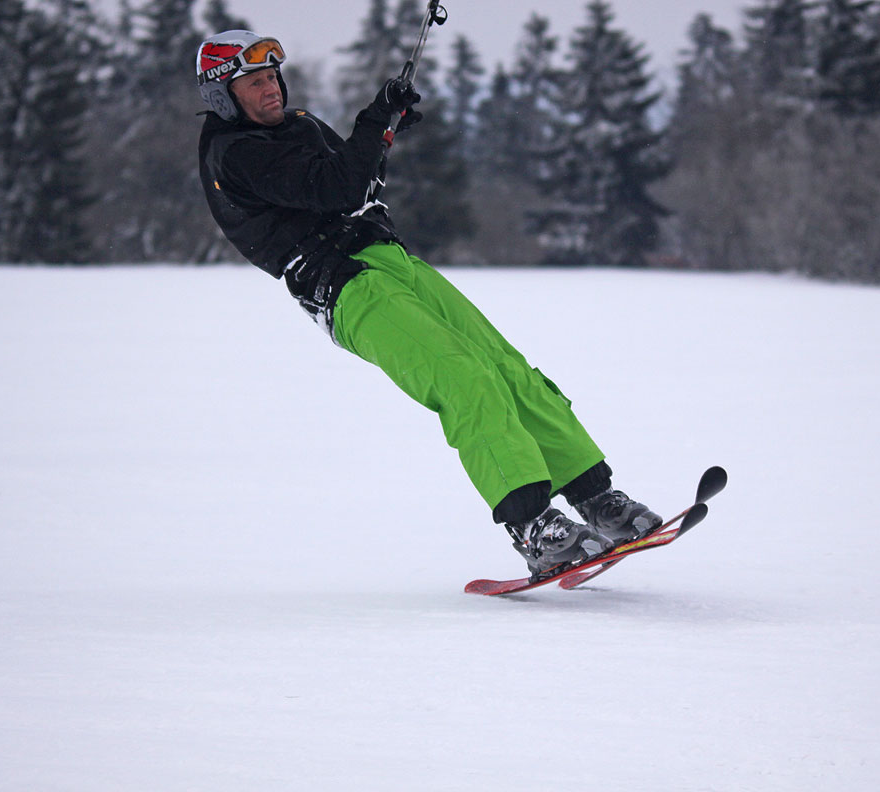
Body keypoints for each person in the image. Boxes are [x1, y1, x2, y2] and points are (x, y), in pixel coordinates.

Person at [195, 30, 661, 578]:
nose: (271, 88)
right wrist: (374, 121)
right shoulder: (235, 153)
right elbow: (337, 189)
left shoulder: (297, 125)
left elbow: (359, 179)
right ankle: (533, 528)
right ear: (223, 95)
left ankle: (595, 498)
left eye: (272, 76)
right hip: (341, 286)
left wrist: (384, 130)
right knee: (462, 378)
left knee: (505, 367)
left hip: (389, 258)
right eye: (254, 82)